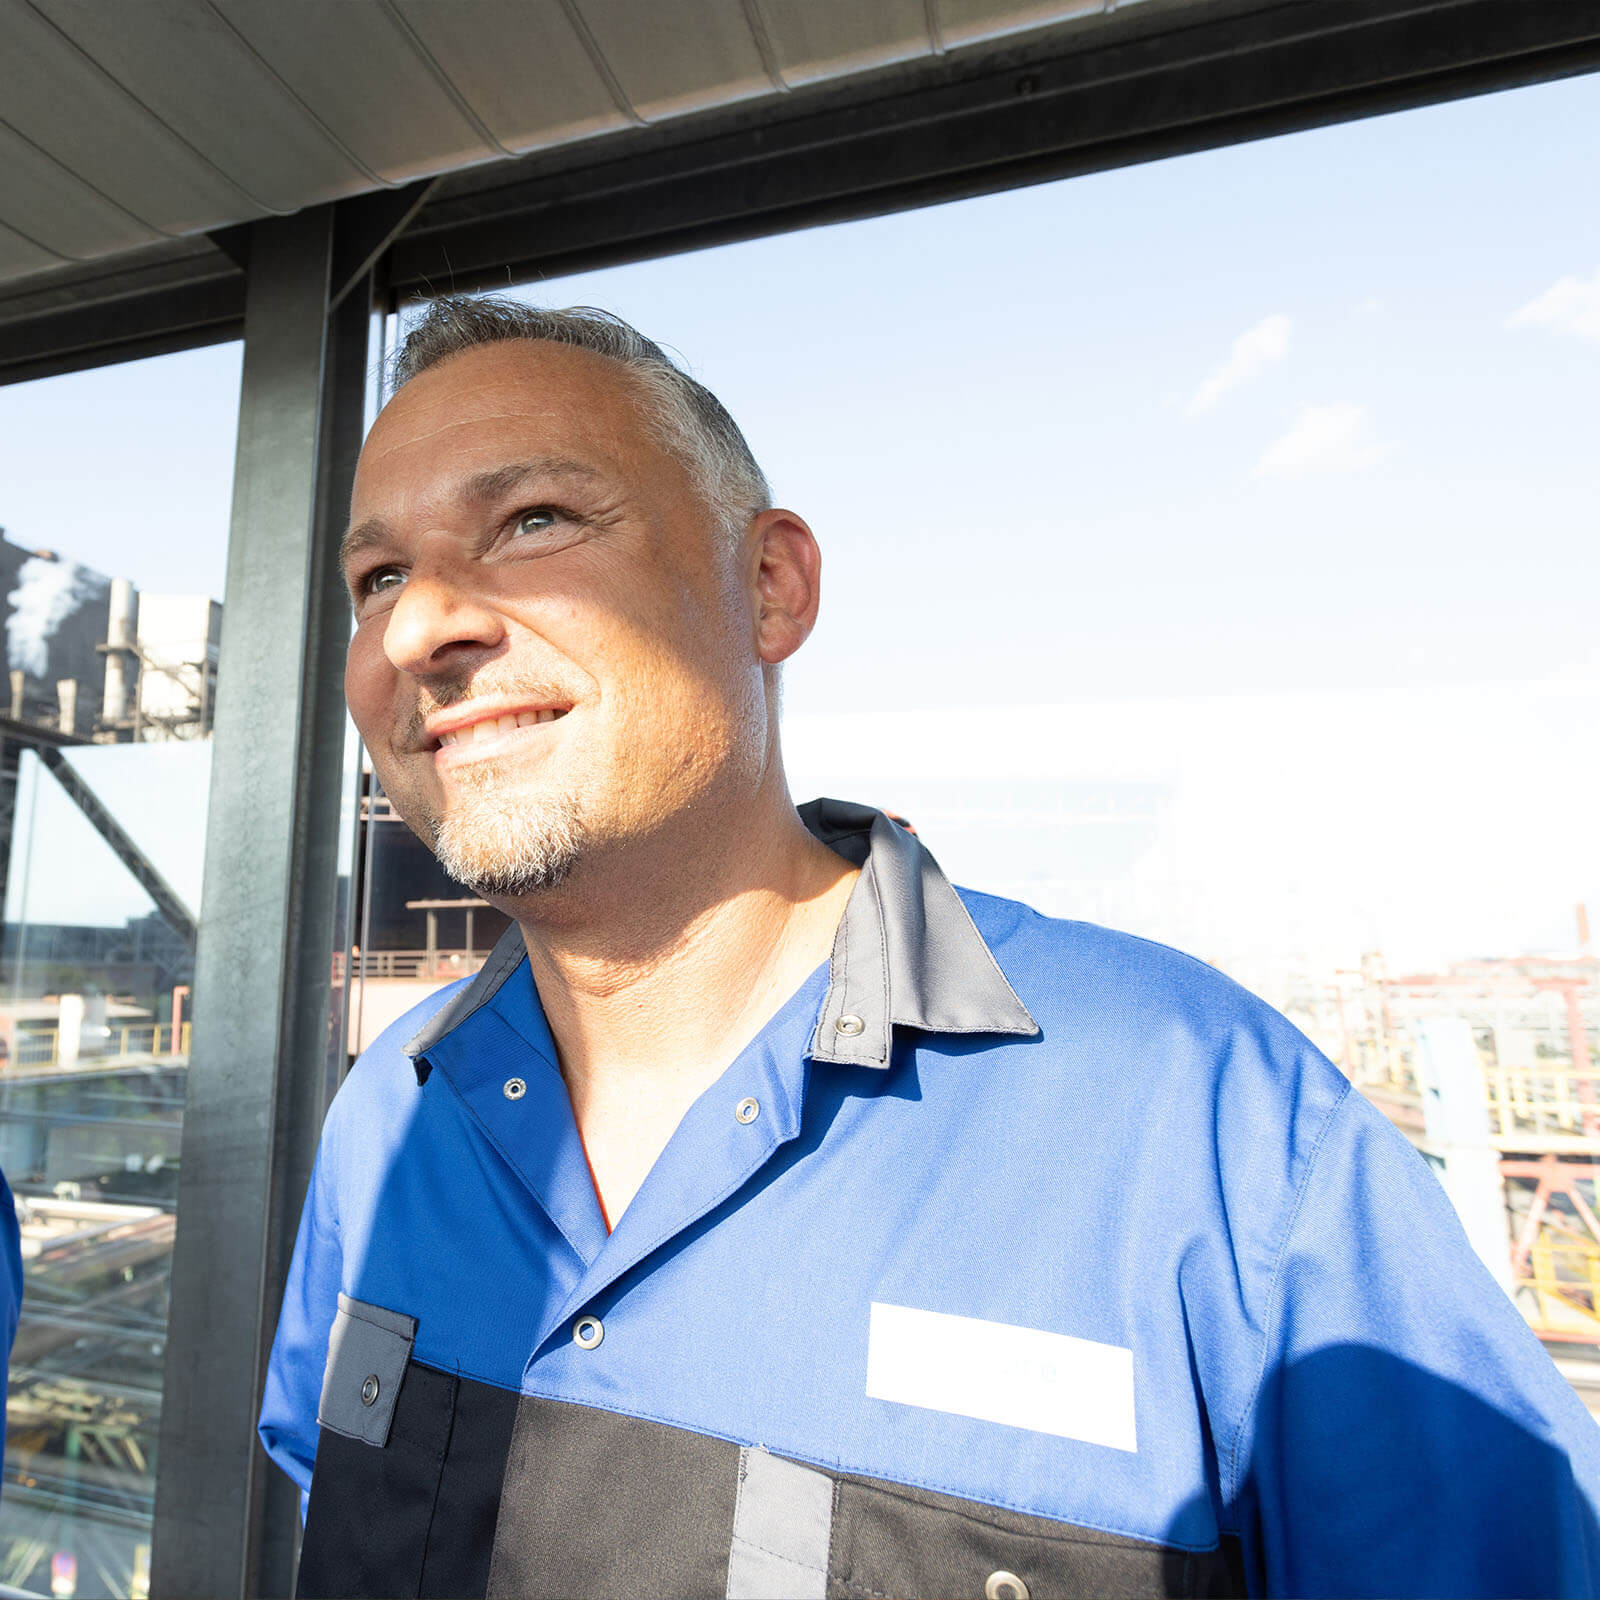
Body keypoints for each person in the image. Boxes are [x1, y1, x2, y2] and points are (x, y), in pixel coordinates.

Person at [260, 295, 1600, 1600]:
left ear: (771, 586)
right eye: (378, 577)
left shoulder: (1205, 1137)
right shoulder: (388, 1125)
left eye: (534, 520)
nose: (420, 630)